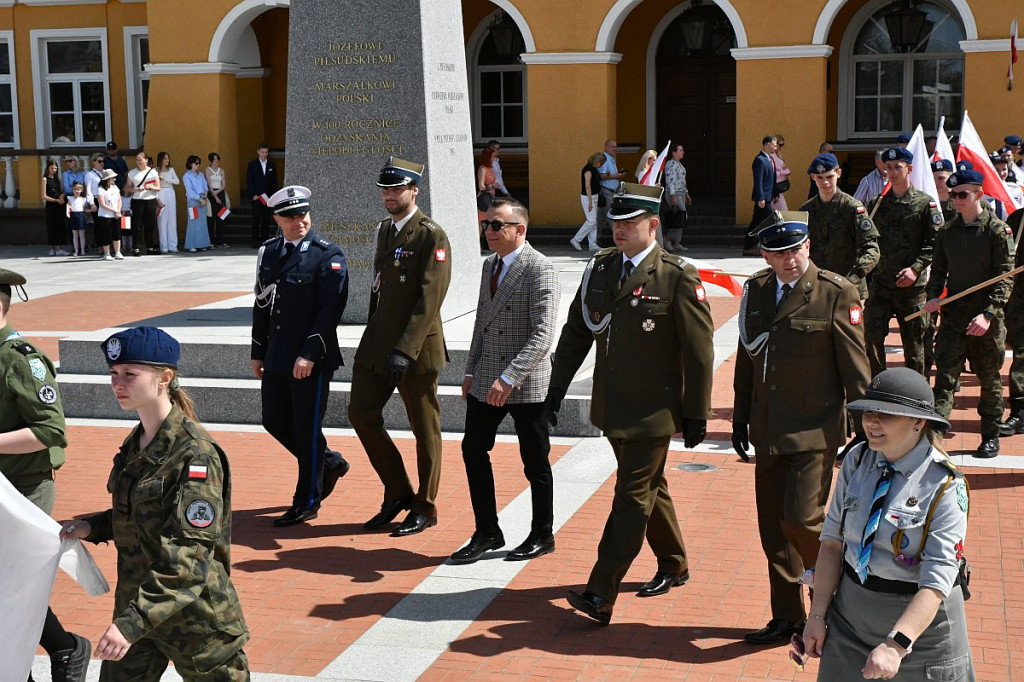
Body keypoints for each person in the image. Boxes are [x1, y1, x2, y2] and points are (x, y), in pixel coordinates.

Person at [546, 182, 714, 625]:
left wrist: (696, 411)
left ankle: (601, 592)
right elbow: (577, 333)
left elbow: (699, 352)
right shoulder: (601, 267)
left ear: (653, 225)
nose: (618, 230)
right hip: (613, 405)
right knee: (649, 486)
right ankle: (675, 562)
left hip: (654, 412)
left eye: (629, 223)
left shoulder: (677, 275)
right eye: (614, 222)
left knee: (631, 496)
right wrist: (555, 391)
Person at [60, 326, 249, 678]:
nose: (118, 383)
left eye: (130, 374)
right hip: (140, 606)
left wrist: (131, 624)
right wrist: (93, 526)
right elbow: (141, 511)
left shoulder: (195, 456)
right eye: (114, 373)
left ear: (165, 377)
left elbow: (187, 557)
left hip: (195, 621)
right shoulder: (137, 442)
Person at [732, 210, 870, 645]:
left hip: (815, 426)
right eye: (778, 252)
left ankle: (838, 595)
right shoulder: (755, 290)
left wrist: (867, 422)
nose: (789, 259)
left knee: (802, 518)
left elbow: (856, 363)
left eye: (796, 248)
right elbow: (747, 357)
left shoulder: (835, 291)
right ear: (765, 255)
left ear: (808, 246)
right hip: (768, 423)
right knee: (773, 525)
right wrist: (739, 413)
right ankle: (787, 615)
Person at [797, 367, 974, 681]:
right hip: (851, 616)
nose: (872, 422)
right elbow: (831, 545)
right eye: (869, 412)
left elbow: (936, 581)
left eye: (887, 415)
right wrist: (817, 616)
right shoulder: (857, 460)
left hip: (920, 632)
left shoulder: (945, 485)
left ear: (918, 423)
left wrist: (896, 645)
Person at [452, 197, 559, 565]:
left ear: (520, 229)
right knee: (473, 449)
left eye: (497, 225)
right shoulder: (489, 267)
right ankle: (487, 531)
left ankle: (542, 534)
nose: (489, 231)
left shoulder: (539, 268)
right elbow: (482, 321)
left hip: (526, 383)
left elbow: (544, 333)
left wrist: (510, 377)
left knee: (535, 462)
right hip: (486, 378)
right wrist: (470, 370)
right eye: (487, 225)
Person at [349, 157, 452, 537]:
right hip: (378, 345)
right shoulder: (383, 231)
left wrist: (404, 350)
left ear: (414, 191)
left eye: (397, 189)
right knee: (360, 414)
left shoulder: (431, 235)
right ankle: (397, 492)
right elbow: (380, 289)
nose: (390, 195)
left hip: (416, 351)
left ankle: (425, 506)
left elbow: (429, 299)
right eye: (385, 190)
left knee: (424, 430)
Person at [0, 268, 91, 681]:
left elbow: (51, 430)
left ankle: (65, 648)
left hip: (24, 487)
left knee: (15, 588)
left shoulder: (20, 360)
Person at [250, 186, 350, 526]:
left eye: (303, 214)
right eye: (290, 216)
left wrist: (309, 354)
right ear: (277, 218)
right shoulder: (269, 252)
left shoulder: (327, 254)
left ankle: (307, 499)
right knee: (274, 420)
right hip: (277, 355)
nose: (299, 221)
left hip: (312, 358)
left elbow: (330, 311)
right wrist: (258, 351)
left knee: (307, 429)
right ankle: (329, 463)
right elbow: (262, 304)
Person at [924, 168, 1013, 458]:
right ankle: (934, 436)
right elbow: (937, 271)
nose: (956, 200)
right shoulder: (947, 232)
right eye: (952, 195)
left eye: (962, 194)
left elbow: (1005, 277)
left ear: (979, 194)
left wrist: (988, 314)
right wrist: (933, 296)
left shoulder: (996, 231)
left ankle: (990, 434)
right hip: (954, 319)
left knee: (988, 379)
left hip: (986, 319)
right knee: (945, 378)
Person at [864, 147, 943, 378]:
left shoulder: (924, 204)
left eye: (897, 167)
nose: (892, 172)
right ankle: (879, 384)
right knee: (871, 337)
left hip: (911, 288)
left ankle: (915, 393)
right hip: (881, 284)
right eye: (888, 168)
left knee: (915, 344)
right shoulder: (878, 204)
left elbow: (935, 242)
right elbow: (867, 240)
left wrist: (916, 269)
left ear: (909, 169)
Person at [801, 153, 879, 299]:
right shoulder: (806, 210)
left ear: (838, 174)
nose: (825, 183)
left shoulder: (852, 208)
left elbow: (872, 249)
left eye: (829, 177)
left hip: (848, 287)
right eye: (820, 178)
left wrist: (853, 278)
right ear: (813, 177)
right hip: (817, 287)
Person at [744, 135, 778, 255]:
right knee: (770, 221)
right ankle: (770, 245)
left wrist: (776, 193)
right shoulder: (759, 160)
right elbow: (758, 181)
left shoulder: (770, 159)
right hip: (763, 198)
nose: (776, 147)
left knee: (756, 222)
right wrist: (760, 197)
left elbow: (772, 179)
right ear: (767, 144)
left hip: (769, 196)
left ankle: (748, 247)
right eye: (774, 145)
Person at [126, 151, 160, 255]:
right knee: (137, 225)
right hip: (137, 200)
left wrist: (150, 187)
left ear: (146, 160)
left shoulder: (153, 172)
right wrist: (136, 189)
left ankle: (151, 247)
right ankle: (136, 247)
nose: (139, 162)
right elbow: (128, 187)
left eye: (141, 160)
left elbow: (158, 187)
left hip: (150, 199)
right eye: (137, 160)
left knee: (151, 224)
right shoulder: (132, 173)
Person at [570, 152, 605, 251]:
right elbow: (587, 186)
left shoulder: (593, 169)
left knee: (593, 221)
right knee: (592, 221)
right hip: (588, 197)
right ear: (596, 161)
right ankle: (576, 239)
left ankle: (592, 244)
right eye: (600, 163)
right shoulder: (588, 170)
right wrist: (590, 200)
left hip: (593, 196)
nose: (601, 166)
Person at [246, 142, 278, 247]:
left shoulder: (271, 165)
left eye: (266, 152)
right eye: (263, 152)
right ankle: (254, 240)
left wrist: (273, 197)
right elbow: (249, 181)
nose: (265, 154)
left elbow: (274, 182)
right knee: (256, 218)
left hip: (268, 198)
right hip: (257, 197)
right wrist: (253, 194)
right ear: (258, 152)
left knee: (266, 219)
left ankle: (265, 239)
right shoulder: (252, 164)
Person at [597, 139, 628, 246]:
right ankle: (620, 242)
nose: (615, 149)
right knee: (612, 217)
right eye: (612, 147)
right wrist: (616, 176)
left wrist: (618, 174)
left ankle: (594, 239)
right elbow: (602, 176)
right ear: (606, 147)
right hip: (606, 192)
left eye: (616, 147)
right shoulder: (604, 159)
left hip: (611, 192)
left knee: (601, 218)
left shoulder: (611, 159)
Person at [663, 143, 691, 253]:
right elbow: (671, 181)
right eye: (680, 150)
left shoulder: (679, 164)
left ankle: (676, 242)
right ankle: (668, 239)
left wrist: (687, 194)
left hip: (681, 192)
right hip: (673, 193)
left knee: (681, 217)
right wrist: (673, 195)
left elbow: (682, 181)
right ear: (674, 152)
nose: (682, 152)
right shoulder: (671, 164)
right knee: (681, 216)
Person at [183, 155, 212, 253]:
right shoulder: (186, 176)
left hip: (202, 199)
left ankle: (202, 244)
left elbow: (205, 186)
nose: (198, 165)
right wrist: (199, 198)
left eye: (199, 163)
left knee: (202, 222)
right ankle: (191, 244)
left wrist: (204, 197)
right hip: (193, 201)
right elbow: (190, 191)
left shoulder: (201, 175)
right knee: (193, 222)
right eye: (196, 163)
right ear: (190, 164)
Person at [41, 159, 68, 256]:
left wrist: (61, 196)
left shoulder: (58, 179)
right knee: (52, 226)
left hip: (59, 205)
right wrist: (55, 200)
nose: (54, 170)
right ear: (48, 168)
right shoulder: (45, 179)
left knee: (60, 226)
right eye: (52, 168)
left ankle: (59, 247)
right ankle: (53, 247)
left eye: (55, 168)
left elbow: (62, 191)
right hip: (51, 205)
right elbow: (43, 196)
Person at [96, 168, 124, 261]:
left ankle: (117, 252)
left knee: (117, 234)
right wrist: (114, 210)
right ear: (107, 179)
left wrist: (118, 211)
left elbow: (119, 200)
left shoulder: (115, 187)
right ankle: (106, 253)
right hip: (105, 215)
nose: (114, 179)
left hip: (116, 215)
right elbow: (103, 204)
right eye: (112, 178)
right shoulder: (100, 189)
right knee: (106, 234)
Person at [155, 152, 179, 254]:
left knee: (172, 219)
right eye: (165, 158)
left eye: (168, 158)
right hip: (160, 193)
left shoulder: (171, 169)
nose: (167, 160)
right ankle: (164, 246)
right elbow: (153, 185)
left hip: (170, 192)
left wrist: (165, 179)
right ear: (161, 159)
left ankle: (173, 245)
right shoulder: (155, 170)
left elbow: (177, 181)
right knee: (162, 219)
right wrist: (157, 198)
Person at [205, 152, 230, 247]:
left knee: (221, 217)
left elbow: (224, 184)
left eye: (218, 159)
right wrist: (214, 195)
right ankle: (211, 240)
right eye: (215, 159)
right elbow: (208, 183)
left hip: (221, 193)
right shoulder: (207, 170)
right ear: (211, 160)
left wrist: (218, 192)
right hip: (212, 194)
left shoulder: (221, 171)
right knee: (211, 218)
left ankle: (221, 239)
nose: (217, 161)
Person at [476, 146, 498, 229]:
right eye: (492, 156)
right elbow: (481, 186)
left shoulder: (490, 168)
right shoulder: (483, 169)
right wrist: (492, 186)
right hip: (484, 199)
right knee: (481, 222)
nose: (493, 159)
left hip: (491, 197)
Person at [68, 182, 89, 257]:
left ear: (81, 190)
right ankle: (76, 250)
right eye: (75, 189)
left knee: (82, 235)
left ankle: (83, 250)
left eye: (78, 189)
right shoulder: (70, 198)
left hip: (81, 216)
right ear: (72, 190)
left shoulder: (83, 199)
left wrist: (90, 210)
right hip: (73, 215)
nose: (76, 191)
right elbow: (68, 208)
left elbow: (85, 209)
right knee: (75, 234)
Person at [771, 134, 792, 210]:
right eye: (780, 144)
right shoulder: (771, 156)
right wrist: (784, 172)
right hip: (774, 186)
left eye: (783, 145)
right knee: (782, 210)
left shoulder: (778, 155)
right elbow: (770, 173)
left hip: (779, 186)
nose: (781, 147)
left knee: (779, 211)